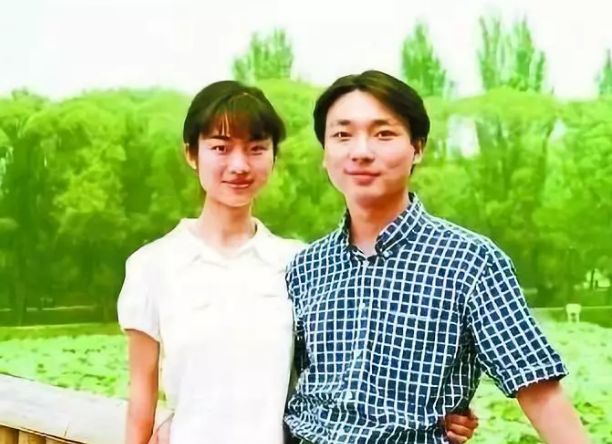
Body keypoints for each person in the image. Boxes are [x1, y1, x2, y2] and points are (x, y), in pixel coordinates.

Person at [117, 80, 478, 444]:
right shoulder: (152, 266)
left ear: (273, 157)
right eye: (220, 148)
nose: (239, 165)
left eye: (256, 148)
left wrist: (437, 413)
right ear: (192, 154)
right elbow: (141, 405)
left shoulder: (299, 264)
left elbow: (344, 375)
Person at [283, 70, 590, 443]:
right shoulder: (306, 268)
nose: (360, 151)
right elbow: (285, 385)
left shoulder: (471, 262)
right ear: (325, 153)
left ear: (418, 147)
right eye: (342, 135)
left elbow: (539, 390)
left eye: (383, 134)